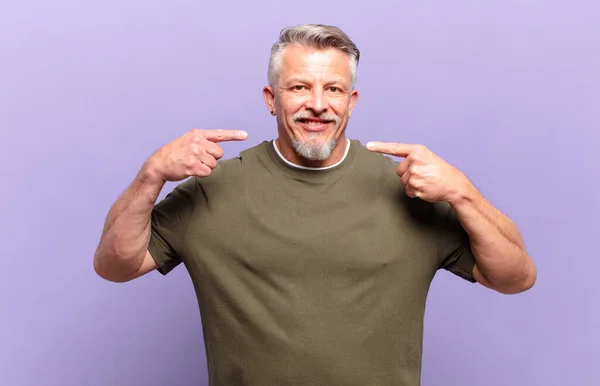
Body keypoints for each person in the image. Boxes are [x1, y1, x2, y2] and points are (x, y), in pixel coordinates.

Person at [93, 24, 536, 386]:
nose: (318, 105)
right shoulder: (213, 188)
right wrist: (151, 174)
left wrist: (462, 192)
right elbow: (116, 264)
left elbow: (515, 277)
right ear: (271, 100)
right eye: (300, 87)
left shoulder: (407, 188)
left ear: (352, 102)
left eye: (334, 90)